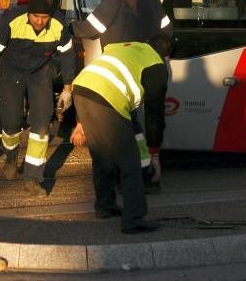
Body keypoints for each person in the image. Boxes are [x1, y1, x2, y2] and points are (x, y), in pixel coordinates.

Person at [72, 0, 172, 186]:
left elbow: (88, 29)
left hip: (121, 74)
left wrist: (66, 28)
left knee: (122, 122)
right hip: (150, 68)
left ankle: (125, 176)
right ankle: (148, 164)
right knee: (146, 119)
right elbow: (167, 32)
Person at [70, 34, 171, 234]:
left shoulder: (127, 45)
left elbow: (102, 77)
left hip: (81, 88)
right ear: (165, 56)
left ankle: (104, 206)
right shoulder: (156, 65)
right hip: (107, 98)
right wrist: (153, 151)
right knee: (130, 162)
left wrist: (80, 121)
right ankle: (134, 218)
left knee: (102, 154)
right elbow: (154, 115)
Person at [0, 0, 75, 197]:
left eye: (44, 17)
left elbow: (68, 56)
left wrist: (68, 88)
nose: (40, 21)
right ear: (28, 12)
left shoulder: (59, 24)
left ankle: (33, 178)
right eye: (36, 16)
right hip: (11, 70)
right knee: (11, 123)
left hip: (40, 72)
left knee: (41, 125)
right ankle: (11, 157)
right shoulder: (11, 19)